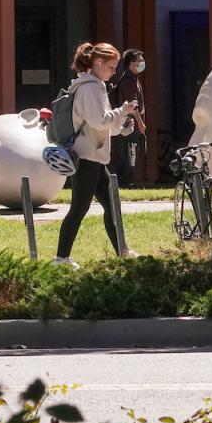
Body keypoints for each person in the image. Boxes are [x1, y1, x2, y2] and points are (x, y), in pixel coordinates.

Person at [54, 42, 140, 266]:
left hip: (92, 156)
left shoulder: (90, 85)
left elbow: (101, 123)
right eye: (112, 66)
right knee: (79, 209)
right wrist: (123, 111)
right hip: (87, 157)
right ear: (98, 63)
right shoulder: (90, 88)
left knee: (111, 206)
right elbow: (98, 120)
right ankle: (61, 258)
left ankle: (123, 251)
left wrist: (121, 126)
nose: (114, 71)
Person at [107, 49, 148, 184]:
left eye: (142, 60)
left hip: (130, 123)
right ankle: (127, 182)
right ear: (130, 63)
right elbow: (133, 106)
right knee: (131, 152)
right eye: (138, 61)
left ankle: (126, 180)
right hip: (129, 124)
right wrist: (140, 123)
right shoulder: (128, 82)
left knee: (131, 152)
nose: (142, 63)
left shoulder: (132, 79)